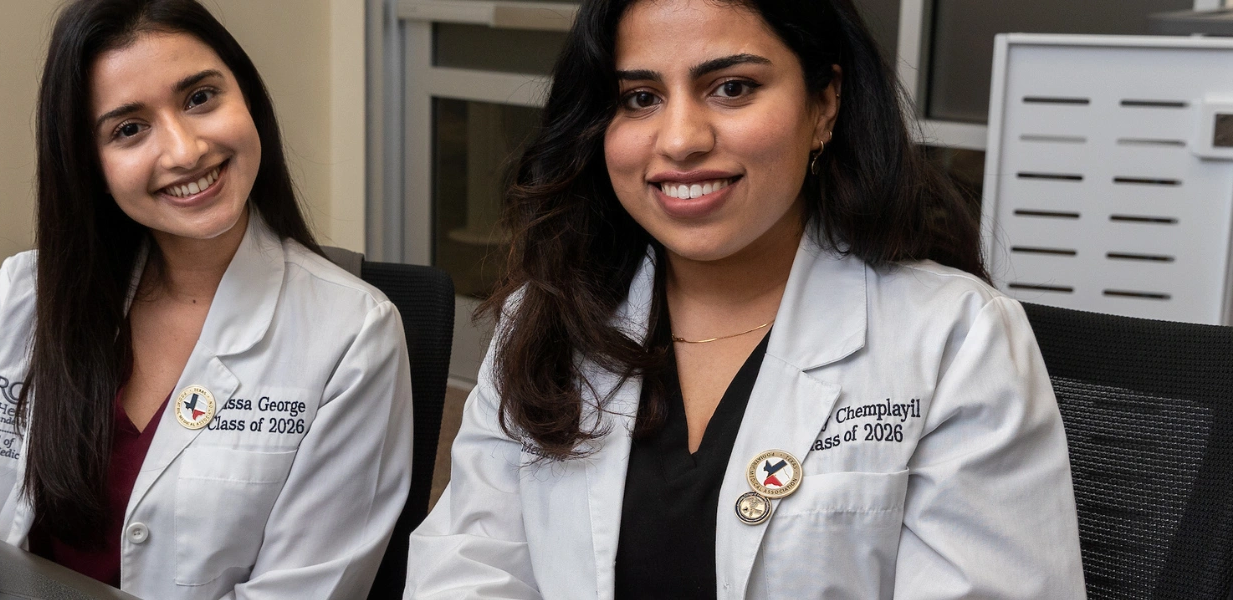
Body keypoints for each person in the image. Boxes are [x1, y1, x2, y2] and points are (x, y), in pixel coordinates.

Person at [405, 0, 1085, 597]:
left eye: (732, 88)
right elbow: (469, 570)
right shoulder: (548, 317)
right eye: (640, 97)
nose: (680, 140)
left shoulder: (954, 338)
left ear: (825, 103)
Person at [0, 1, 413, 599]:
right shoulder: (32, 294)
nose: (184, 150)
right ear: (89, 163)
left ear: (247, 97)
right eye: (129, 129)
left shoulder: (351, 334)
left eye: (201, 97)